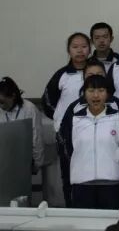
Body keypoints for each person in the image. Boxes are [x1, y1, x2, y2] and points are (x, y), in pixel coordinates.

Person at [59, 75, 119, 209]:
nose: (96, 95)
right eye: (91, 91)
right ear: (84, 94)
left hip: (111, 183)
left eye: (101, 90)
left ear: (107, 94)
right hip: (82, 184)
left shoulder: (118, 117)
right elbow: (66, 146)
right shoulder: (75, 119)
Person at [43, 32, 91, 206]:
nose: (80, 50)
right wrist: (61, 122)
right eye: (75, 47)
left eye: (84, 46)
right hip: (67, 134)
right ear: (68, 50)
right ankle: (72, 208)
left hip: (93, 130)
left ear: (90, 49)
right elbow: (47, 102)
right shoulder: (62, 74)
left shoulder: (95, 71)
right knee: (69, 173)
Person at [0, 76, 45, 173]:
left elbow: (36, 139)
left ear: (13, 96)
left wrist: (37, 164)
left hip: (24, 161)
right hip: (4, 162)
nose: (0, 106)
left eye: (2, 102)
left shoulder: (29, 109)